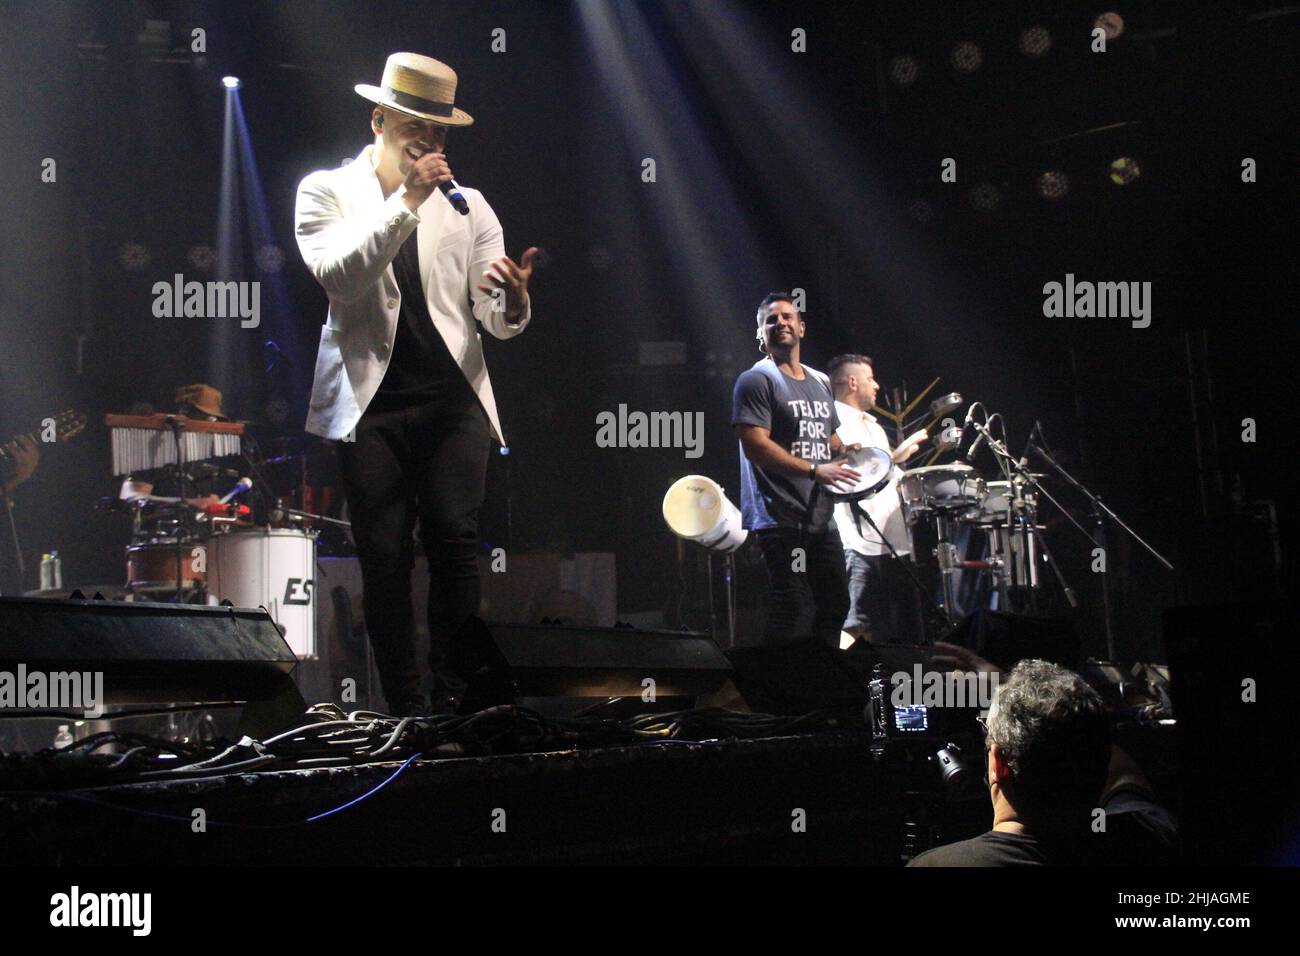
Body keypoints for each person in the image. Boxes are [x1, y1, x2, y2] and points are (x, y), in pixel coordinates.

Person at [294, 53, 537, 716]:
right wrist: (406, 200)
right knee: (383, 556)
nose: (431, 143)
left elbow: (489, 313)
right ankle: (405, 709)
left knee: (457, 542)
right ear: (378, 120)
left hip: (452, 399)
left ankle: (454, 699)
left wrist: (513, 303)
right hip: (370, 404)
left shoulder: (472, 207)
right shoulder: (325, 192)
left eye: (441, 132)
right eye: (415, 128)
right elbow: (341, 276)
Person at [909, 657, 1177, 866]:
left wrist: (1008, 693)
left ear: (999, 764)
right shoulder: (1147, 840)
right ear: (1099, 762)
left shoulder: (934, 864)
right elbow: (1126, 780)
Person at [732, 293, 859, 648]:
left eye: (788, 317)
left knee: (835, 604)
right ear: (761, 335)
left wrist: (846, 451)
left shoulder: (819, 381)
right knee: (792, 605)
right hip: (778, 517)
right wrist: (815, 470)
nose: (781, 323)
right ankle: (778, 694)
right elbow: (755, 445)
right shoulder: (756, 380)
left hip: (819, 515)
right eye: (771, 320)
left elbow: (827, 437)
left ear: (801, 327)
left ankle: (822, 682)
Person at [827, 354, 925, 645]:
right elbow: (851, 474)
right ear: (853, 382)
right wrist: (895, 457)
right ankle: (840, 677)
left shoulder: (874, 427)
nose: (877, 385)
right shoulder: (835, 423)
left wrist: (900, 463)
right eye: (870, 378)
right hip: (859, 542)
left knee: (896, 625)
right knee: (856, 623)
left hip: (891, 542)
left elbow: (882, 475)